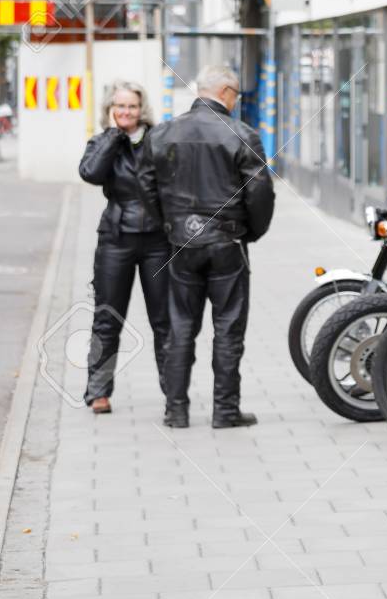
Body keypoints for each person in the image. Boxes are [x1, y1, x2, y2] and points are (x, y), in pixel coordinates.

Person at [137, 66, 275, 429]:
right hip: (227, 241)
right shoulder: (242, 134)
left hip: (181, 242)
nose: (238, 100)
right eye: (238, 95)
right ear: (227, 92)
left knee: (180, 326)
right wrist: (250, 233)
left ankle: (176, 410)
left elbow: (145, 184)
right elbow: (260, 193)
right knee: (228, 327)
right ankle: (225, 410)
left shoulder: (164, 133)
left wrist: (169, 223)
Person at [78, 80, 170, 413]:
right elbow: (90, 173)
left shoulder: (159, 140)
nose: (126, 112)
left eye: (131, 106)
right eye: (120, 106)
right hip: (116, 239)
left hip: (158, 241)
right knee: (107, 316)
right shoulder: (103, 141)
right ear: (110, 109)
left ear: (141, 109)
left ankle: (173, 391)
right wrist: (115, 137)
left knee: (165, 320)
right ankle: (98, 391)